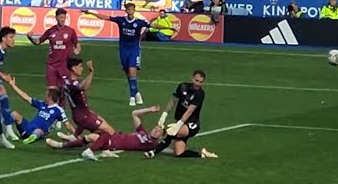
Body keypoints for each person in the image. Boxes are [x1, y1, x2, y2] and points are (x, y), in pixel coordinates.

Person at [46, 105, 218, 161]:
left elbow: (172, 151)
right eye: (157, 127)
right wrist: (150, 110)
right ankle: (70, 141)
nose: (157, 129)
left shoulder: (153, 144)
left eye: (159, 131)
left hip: (114, 143)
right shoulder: (142, 131)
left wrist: (199, 153)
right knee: (98, 131)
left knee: (94, 137)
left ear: (160, 137)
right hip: (115, 136)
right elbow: (134, 114)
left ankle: (63, 145)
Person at [84, 2, 152, 105]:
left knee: (132, 71)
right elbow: (105, 17)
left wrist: (168, 27)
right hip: (123, 50)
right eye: (128, 10)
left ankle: (132, 97)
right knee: (128, 73)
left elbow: (153, 25)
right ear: (126, 11)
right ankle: (137, 93)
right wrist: (90, 12)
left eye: (132, 10)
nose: (130, 12)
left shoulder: (139, 22)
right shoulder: (121, 20)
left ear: (134, 11)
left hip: (134, 50)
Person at [149, 71, 209, 158]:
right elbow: (172, 101)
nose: (198, 84)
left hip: (191, 124)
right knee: (179, 153)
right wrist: (164, 115)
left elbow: (189, 111)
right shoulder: (182, 86)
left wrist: (178, 125)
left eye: (201, 82)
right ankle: (202, 154)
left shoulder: (200, 94)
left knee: (171, 132)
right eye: (196, 80)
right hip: (181, 121)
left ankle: (153, 152)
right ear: (192, 78)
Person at [2, 77, 77, 145]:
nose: (44, 96)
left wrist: (76, 136)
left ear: (49, 97)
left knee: (39, 131)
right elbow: (26, 97)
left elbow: (68, 125)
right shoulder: (42, 104)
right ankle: (8, 130)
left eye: (46, 95)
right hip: (27, 127)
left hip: (40, 132)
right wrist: (13, 86)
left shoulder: (58, 110)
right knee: (15, 114)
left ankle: (32, 138)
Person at [27, 8, 80, 88]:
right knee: (51, 90)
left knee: (64, 89)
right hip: (52, 65)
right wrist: (30, 38)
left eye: (64, 17)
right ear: (56, 18)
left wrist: (77, 50)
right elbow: (38, 42)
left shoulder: (70, 31)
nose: (62, 19)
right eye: (61, 17)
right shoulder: (50, 31)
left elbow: (77, 44)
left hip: (64, 65)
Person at [62, 57, 116, 135]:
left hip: (82, 112)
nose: (82, 69)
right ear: (73, 68)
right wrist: (91, 72)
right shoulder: (73, 83)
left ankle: (75, 137)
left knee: (103, 122)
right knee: (110, 132)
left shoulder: (66, 79)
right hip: (83, 115)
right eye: (80, 66)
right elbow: (84, 87)